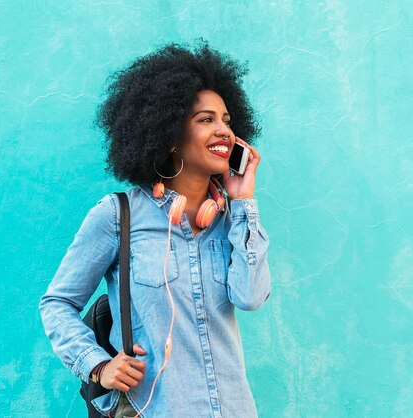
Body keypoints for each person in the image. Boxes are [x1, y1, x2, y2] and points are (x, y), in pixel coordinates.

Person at [39, 41, 272, 417]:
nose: (223, 131)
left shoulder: (232, 221)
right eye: (205, 120)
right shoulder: (119, 216)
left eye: (227, 121)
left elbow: (250, 298)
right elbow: (57, 304)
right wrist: (97, 365)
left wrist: (244, 201)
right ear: (169, 133)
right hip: (154, 409)